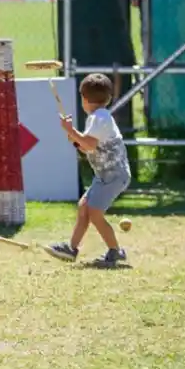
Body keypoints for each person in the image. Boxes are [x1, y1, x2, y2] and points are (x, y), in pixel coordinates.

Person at [43, 73, 131, 267]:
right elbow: (86, 146)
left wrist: (70, 131)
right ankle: (71, 249)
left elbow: (89, 145)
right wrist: (75, 139)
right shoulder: (98, 117)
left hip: (114, 175)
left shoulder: (99, 118)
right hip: (106, 175)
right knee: (84, 207)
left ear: (83, 98)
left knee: (94, 212)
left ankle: (115, 251)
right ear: (108, 98)